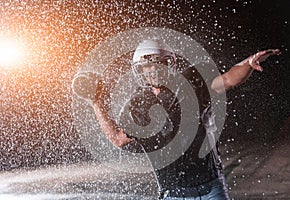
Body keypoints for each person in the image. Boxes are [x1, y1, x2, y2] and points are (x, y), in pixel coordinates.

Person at [87, 39, 280, 199]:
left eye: (157, 65)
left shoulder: (192, 85)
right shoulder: (138, 105)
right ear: (140, 70)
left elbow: (228, 80)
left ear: (168, 64)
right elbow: (119, 139)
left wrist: (248, 64)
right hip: (174, 192)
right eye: (147, 67)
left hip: (210, 186)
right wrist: (96, 103)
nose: (152, 71)